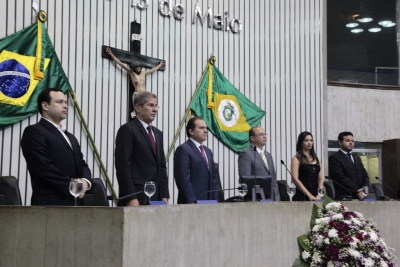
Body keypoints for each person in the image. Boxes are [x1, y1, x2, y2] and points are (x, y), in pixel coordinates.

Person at [21, 88, 92, 205]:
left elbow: (82, 164)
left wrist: (85, 182)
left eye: (65, 102)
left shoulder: (70, 137)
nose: (66, 106)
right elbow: (43, 168)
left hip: (75, 204)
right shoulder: (34, 132)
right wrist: (73, 187)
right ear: (45, 106)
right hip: (50, 204)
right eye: (59, 102)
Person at [115, 91, 169, 206]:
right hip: (137, 195)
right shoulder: (128, 130)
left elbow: (161, 166)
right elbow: (123, 165)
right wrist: (130, 196)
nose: (155, 109)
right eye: (150, 105)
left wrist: (165, 194)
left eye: (156, 106)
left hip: (157, 195)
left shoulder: (158, 133)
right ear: (138, 108)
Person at [174, 117, 219, 204]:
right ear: (191, 131)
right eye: (201, 128)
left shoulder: (208, 151)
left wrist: (216, 201)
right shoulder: (183, 149)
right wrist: (193, 202)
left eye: (206, 128)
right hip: (192, 202)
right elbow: (183, 180)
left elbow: (213, 179)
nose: (205, 131)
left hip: (210, 202)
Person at [238, 127, 280, 201]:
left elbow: (273, 181)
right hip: (256, 199)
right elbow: (245, 180)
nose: (264, 136)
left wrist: (277, 199)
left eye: (265, 134)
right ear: (252, 138)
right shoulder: (246, 154)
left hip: (271, 200)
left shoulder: (268, 155)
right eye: (261, 134)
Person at [329, 131, 369, 200]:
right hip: (345, 196)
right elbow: (341, 178)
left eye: (352, 141)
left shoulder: (357, 158)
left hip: (361, 196)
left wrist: (365, 188)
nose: (351, 143)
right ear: (340, 142)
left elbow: (364, 174)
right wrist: (357, 191)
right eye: (347, 140)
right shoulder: (334, 158)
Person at [290, 131, 324, 201]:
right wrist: (308, 195)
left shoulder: (317, 158)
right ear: (301, 143)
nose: (309, 143)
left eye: (311, 140)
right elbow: (295, 179)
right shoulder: (296, 158)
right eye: (306, 140)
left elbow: (320, 178)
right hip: (302, 195)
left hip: (316, 195)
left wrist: (319, 194)